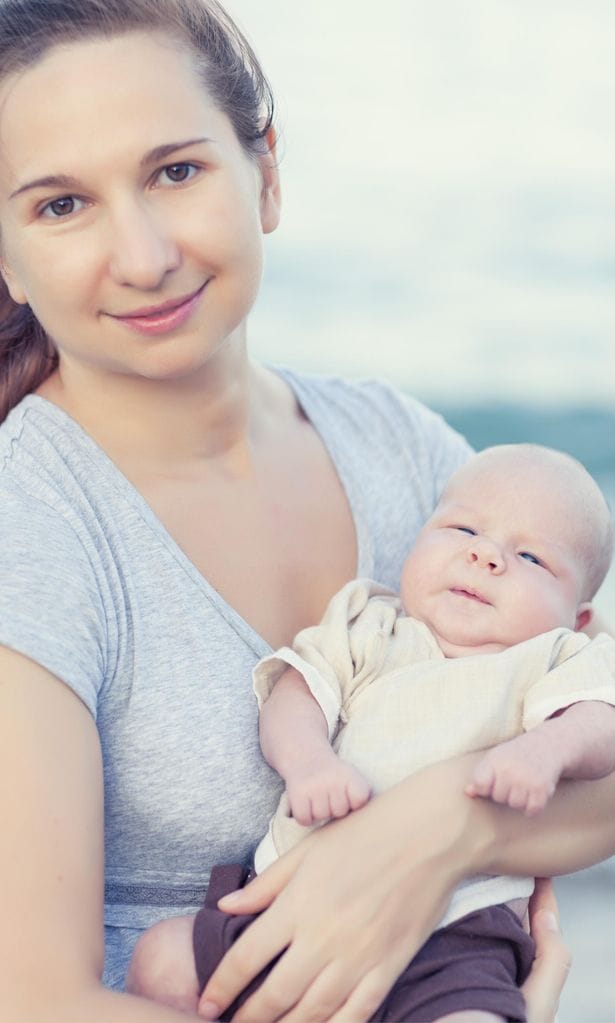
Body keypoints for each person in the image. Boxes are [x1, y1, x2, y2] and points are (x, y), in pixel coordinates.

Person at [0, 2, 610, 1022]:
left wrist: (442, 834)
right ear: (6, 262)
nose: (144, 256)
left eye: (176, 172)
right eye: (61, 206)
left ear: (267, 172)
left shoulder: (401, 450)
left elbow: (585, 725)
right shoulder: (34, 530)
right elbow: (32, 1000)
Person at [126, 443, 615, 1021]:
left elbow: (600, 719)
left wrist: (547, 750)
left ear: (578, 617)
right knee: (164, 960)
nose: (486, 555)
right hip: (292, 897)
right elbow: (297, 694)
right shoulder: (370, 624)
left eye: (531, 558)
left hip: (458, 931)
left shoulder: (555, 656)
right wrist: (309, 762)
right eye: (462, 529)